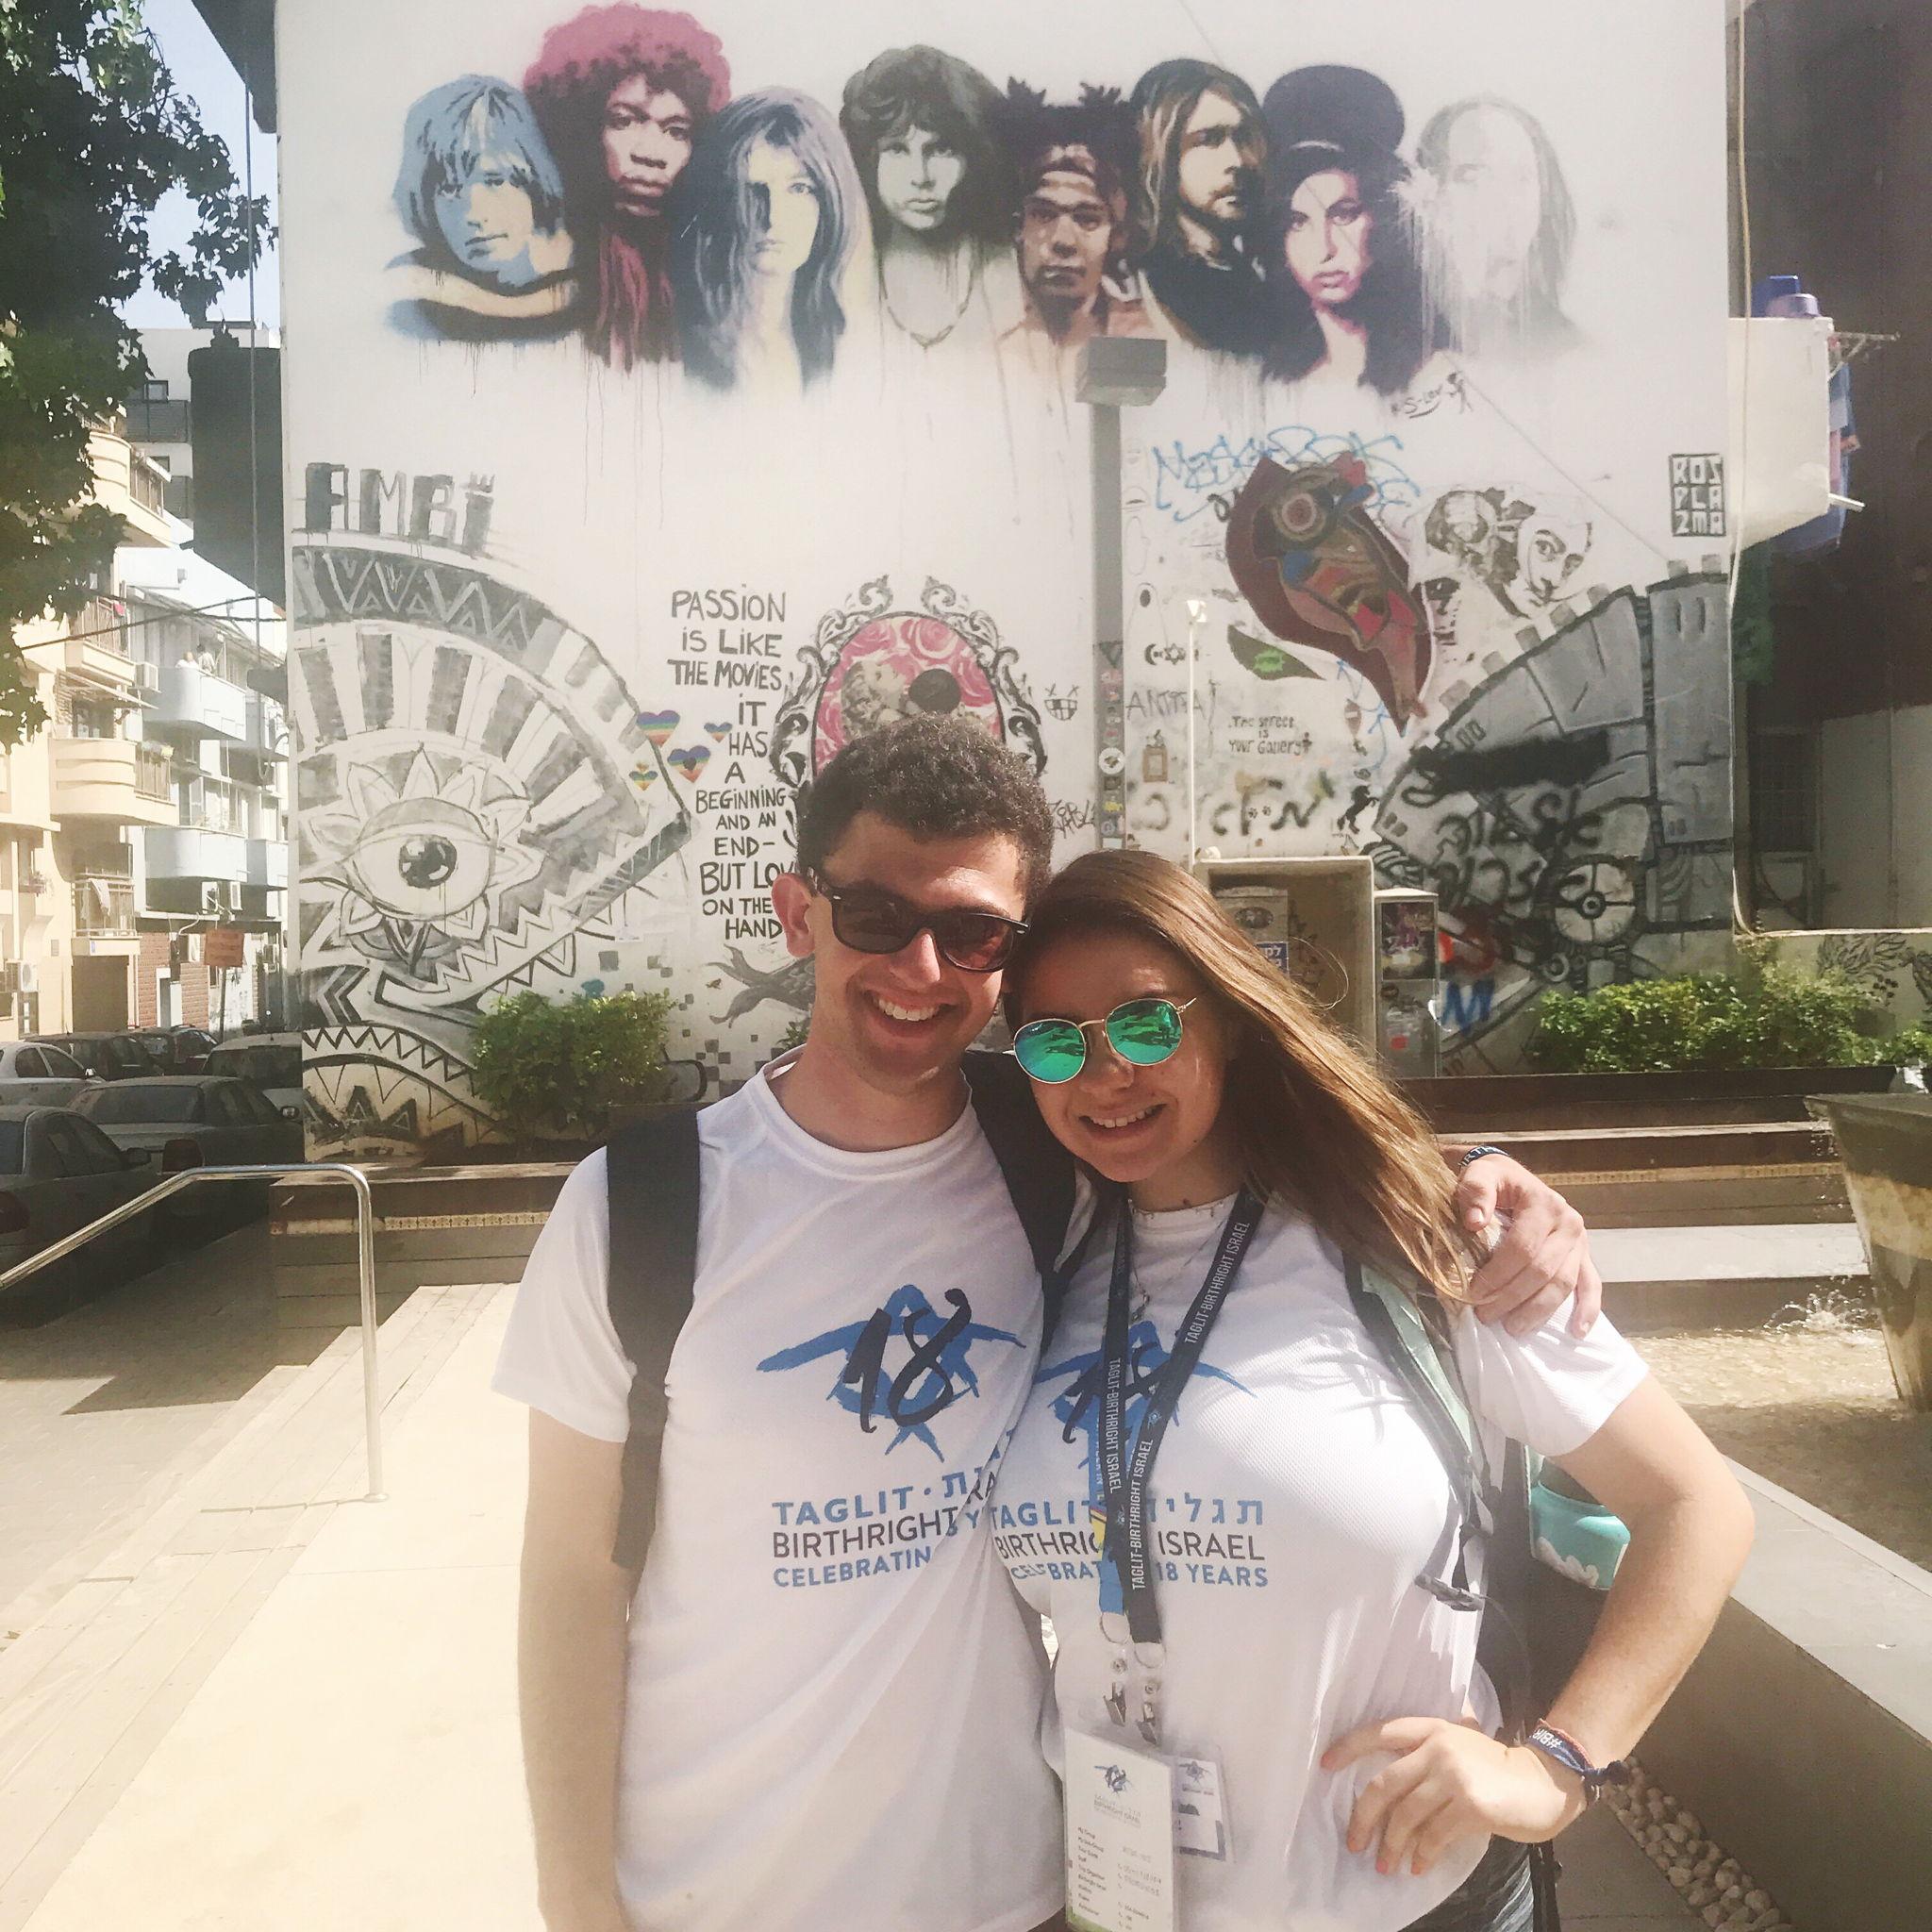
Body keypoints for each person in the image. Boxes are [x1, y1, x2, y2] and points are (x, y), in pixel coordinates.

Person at [495, 716, 1611, 1932]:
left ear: (1008, 954)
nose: (921, 965)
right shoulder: (642, 1205)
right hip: (712, 1889)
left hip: (1019, 1886)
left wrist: (1469, 1178)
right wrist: (573, 1894)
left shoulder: (1044, 1148)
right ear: (797, 911)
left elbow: (1231, 1118)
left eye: (972, 931)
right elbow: (569, 1577)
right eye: (874, 914)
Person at [992, 849, 1755, 1932]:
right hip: (1123, 1899)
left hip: (1402, 1896)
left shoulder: (1416, 1244)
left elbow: (1694, 1504)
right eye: (1053, 1040)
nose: (1105, 1071)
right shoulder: (1039, 1259)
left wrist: (1555, 1767)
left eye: (1146, 1024)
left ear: (1229, 1020)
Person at [524, 5, 731, 368]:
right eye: (624, 121)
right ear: (583, 128)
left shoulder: (713, 286)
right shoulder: (539, 271)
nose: (650, 153)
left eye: (676, 131)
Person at [670, 88, 867, 395]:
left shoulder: (844, 350)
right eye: (751, 190)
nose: (773, 217)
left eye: (799, 189)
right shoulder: (675, 351)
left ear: (830, 202)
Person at [1258, 65, 1431, 397]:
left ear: (1383, 220)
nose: (1324, 249)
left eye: (1343, 215)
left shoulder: (1433, 373)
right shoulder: (1268, 382)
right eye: (1298, 222)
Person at [840, 45, 1019, 352]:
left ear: (973, 155)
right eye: (897, 150)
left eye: (941, 150)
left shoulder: (1011, 269)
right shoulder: (842, 277)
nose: (920, 177)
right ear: (869, 159)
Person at [388, 75, 578, 342]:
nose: (473, 214)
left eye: (495, 181)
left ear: (534, 183)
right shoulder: (407, 293)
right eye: (450, 189)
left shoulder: (595, 280)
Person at [1415, 97, 1582, 364]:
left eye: (1521, 177)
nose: (1503, 201)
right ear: (1431, 197)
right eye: (1472, 177)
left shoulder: (1570, 355)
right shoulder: (1405, 340)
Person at [1127, 58, 1272, 358]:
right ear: (1161, 152)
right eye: (1208, 139)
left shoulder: (1249, 280)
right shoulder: (1139, 287)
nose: (1238, 161)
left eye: (1244, 137)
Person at [1001, 85, 1153, 358]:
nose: (1064, 241)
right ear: (1016, 227)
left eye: (1087, 219)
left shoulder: (1141, 338)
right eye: (1043, 215)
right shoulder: (986, 340)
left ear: (1117, 234)